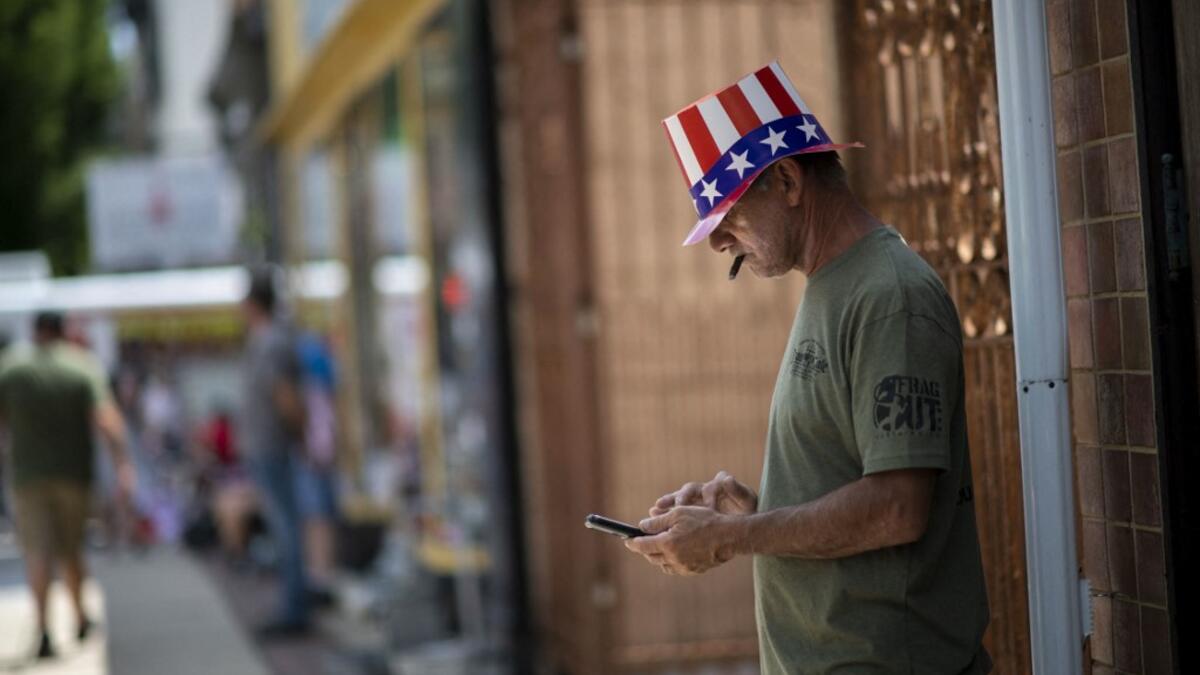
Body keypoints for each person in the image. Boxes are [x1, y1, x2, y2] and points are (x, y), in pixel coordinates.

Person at [624, 62, 991, 673]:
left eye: (729, 217)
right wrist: (751, 509)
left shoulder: (888, 297)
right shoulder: (834, 285)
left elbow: (898, 507)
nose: (719, 244)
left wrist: (727, 539)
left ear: (789, 180)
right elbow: (853, 484)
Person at [0, 312, 135, 659]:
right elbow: (106, 419)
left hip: (28, 479)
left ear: (35, 333)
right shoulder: (81, 366)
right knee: (71, 550)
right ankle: (78, 617)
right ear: (63, 333)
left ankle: (44, 629)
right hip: (74, 476)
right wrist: (123, 465)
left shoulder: (12, 370)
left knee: (37, 552)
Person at [239, 269, 310, 637]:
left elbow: (286, 397)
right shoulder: (266, 340)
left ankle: (294, 609)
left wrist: (302, 435)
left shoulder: (271, 343)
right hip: (268, 446)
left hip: (273, 447)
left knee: (286, 529)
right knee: (284, 528)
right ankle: (293, 605)